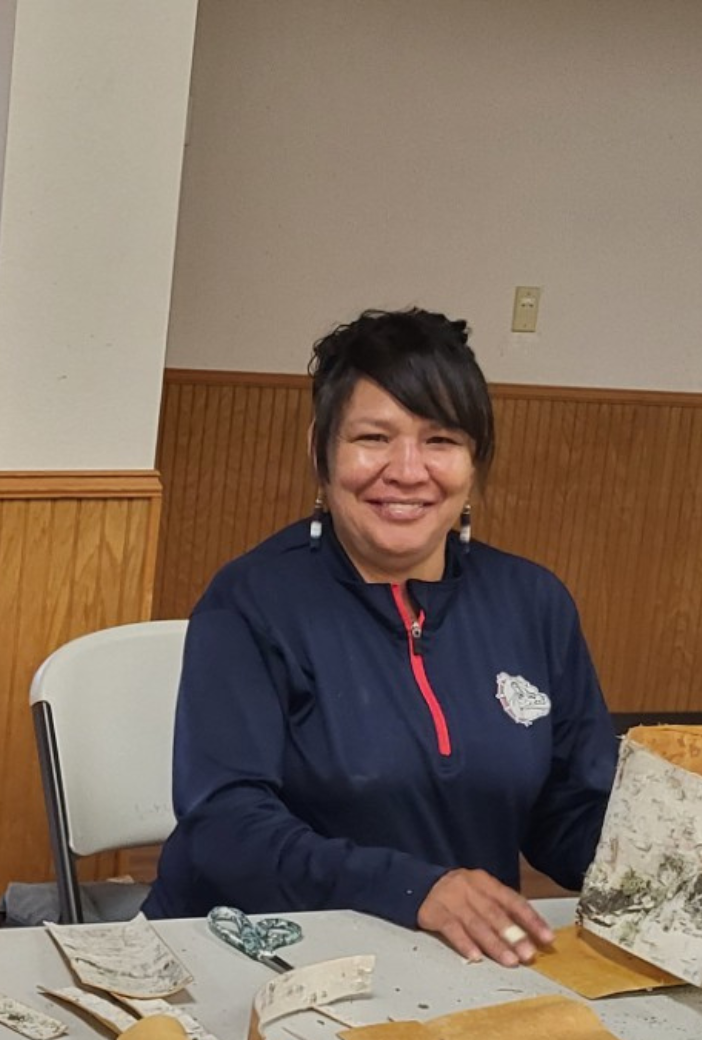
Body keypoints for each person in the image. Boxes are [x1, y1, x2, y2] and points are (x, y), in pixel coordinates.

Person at [142, 308, 618, 966]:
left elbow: (565, 814)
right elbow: (224, 829)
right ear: (321, 449)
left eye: (441, 441)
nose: (407, 469)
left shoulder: (533, 602)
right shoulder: (250, 602)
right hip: (253, 956)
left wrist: (687, 859)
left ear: (474, 461)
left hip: (459, 965)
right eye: (373, 437)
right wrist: (416, 889)